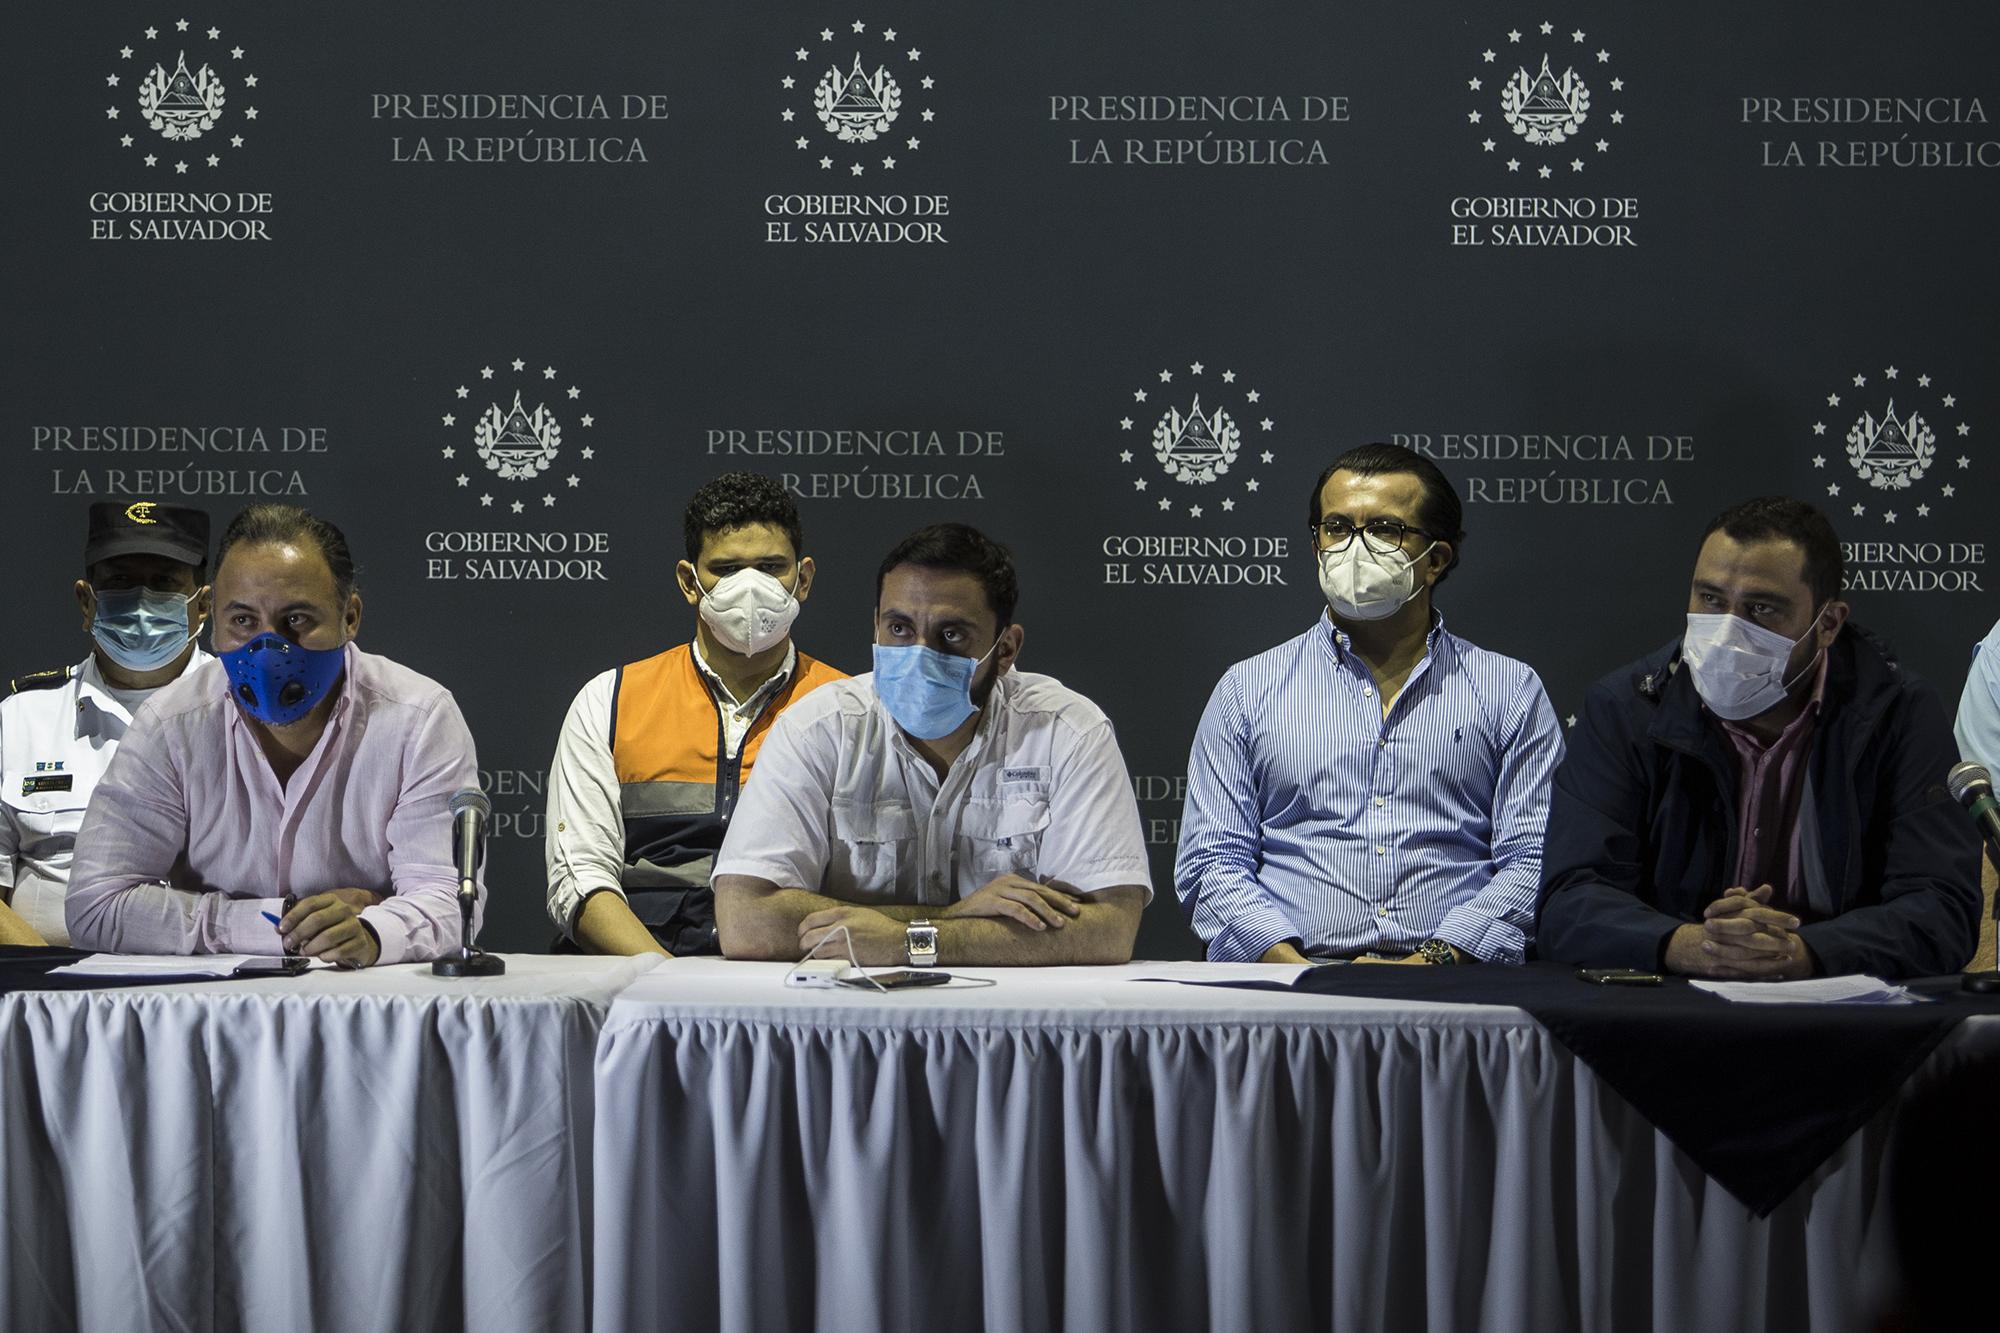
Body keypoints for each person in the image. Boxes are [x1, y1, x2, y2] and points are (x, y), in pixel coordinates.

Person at [1538, 497, 1979, 980]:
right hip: (1670, 1006)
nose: (1727, 630)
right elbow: (1569, 900)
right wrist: (1692, 945)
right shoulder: (1627, 708)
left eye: (1761, 608)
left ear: (1828, 624)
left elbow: (1941, 909)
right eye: (1710, 599)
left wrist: (1801, 950)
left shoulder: (1899, 713)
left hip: (1843, 1015)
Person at [1176, 443, 1562, 965]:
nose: (1354, 548)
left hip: (1458, 987)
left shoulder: (1509, 689)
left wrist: (1429, 964)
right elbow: (1212, 861)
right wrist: (1300, 973)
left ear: (1436, 559)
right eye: (1336, 527)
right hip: (1287, 988)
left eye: (1385, 529)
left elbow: (1532, 859)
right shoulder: (1247, 689)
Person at [713, 522, 1150, 966]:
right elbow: (745, 921)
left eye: (952, 634)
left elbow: (1109, 929)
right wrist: (950, 919)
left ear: (1005, 650)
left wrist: (907, 942)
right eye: (899, 628)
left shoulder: (1068, 732)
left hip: (1012, 1024)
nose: (920, 652)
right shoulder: (817, 728)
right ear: (876, 627)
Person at [66, 504, 482, 966]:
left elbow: (449, 900)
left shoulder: (419, 718)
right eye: (243, 621)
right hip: (209, 1016)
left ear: (350, 617)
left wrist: (369, 933)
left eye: (297, 620)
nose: (267, 650)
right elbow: (96, 906)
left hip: (371, 1010)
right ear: (211, 618)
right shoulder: (171, 724)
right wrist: (278, 923)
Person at [544, 472, 846, 956]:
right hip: (638, 968)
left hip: (789, 970)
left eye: (772, 568)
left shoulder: (849, 709)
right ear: (690, 582)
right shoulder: (611, 700)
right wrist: (665, 980)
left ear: (803, 579)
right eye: (726, 570)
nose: (751, 588)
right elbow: (579, 878)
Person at [1, 500, 213, 946]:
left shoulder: (246, 714)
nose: (141, 602)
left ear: (203, 605)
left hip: (210, 987)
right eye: (120, 582)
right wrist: (52, 982)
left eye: (163, 584)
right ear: (86, 600)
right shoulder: (20, 719)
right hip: (48, 988)